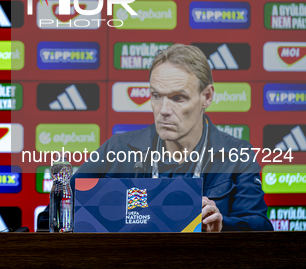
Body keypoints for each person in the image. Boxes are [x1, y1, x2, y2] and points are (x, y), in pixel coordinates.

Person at [71, 44, 272, 232]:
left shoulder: (237, 156)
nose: (164, 111)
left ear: (207, 97)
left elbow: (261, 227)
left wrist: (222, 226)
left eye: (178, 98)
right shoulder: (117, 150)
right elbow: (55, 216)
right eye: (156, 96)